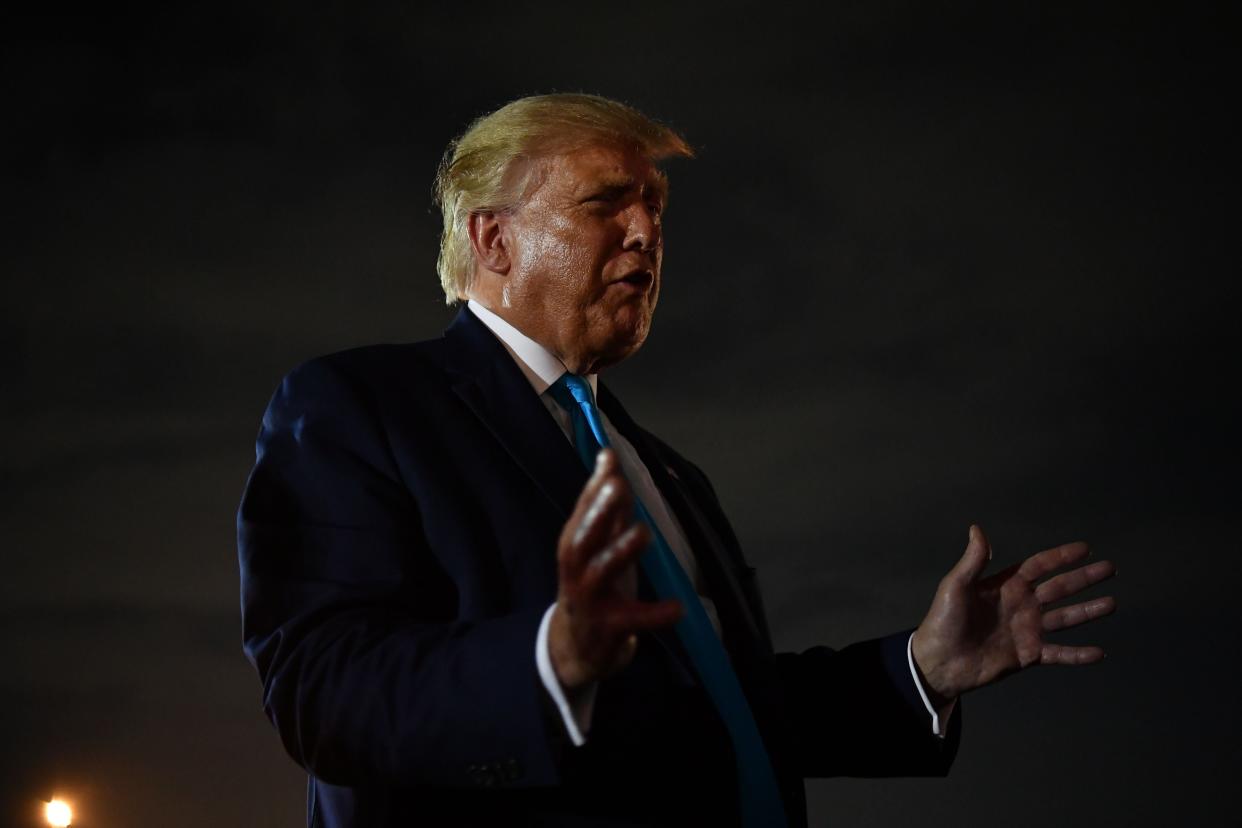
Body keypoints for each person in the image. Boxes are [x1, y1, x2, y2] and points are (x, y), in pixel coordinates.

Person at [237, 93, 1116, 828]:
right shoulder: (359, 406)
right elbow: (324, 690)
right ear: (494, 242)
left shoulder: (662, 470)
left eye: (656, 207)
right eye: (604, 203)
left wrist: (922, 668)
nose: (647, 232)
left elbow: (714, 704)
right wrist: (552, 659)